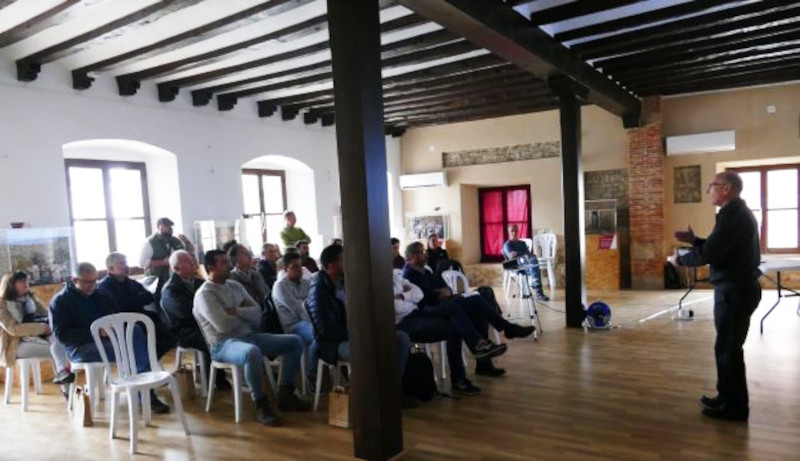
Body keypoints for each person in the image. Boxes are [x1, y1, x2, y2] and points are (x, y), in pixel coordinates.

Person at [668, 171, 761, 421]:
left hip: (736, 290)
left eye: (712, 185)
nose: (709, 189)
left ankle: (735, 408)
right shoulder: (734, 213)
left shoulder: (733, 216)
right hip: (736, 288)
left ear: (726, 189)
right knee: (725, 346)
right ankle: (726, 397)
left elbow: (711, 254)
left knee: (729, 348)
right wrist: (695, 240)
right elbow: (717, 247)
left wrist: (681, 259)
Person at [193, 250, 309, 426]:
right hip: (223, 344)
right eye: (223, 263)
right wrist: (244, 314)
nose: (229, 265)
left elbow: (257, 314)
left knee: (294, 341)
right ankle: (261, 404)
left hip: (248, 336)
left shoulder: (234, 286)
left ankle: (286, 393)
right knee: (252, 352)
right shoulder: (205, 294)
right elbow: (223, 325)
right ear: (211, 268)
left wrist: (236, 311)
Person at [307, 244, 417, 408]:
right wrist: (359, 333)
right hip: (333, 344)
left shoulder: (345, 282)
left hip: (353, 334)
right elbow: (326, 331)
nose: (348, 262)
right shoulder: (319, 292)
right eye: (343, 259)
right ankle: (372, 399)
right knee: (368, 347)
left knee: (400, 338)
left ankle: (391, 392)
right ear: (331, 266)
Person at [51, 263, 170, 413]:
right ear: (75, 280)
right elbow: (63, 335)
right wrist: (96, 333)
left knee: (136, 331)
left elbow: (116, 315)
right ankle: (145, 393)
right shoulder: (60, 302)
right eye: (88, 282)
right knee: (132, 349)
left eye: (95, 280)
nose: (93, 285)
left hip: (109, 339)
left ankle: (142, 388)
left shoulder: (101, 294)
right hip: (81, 347)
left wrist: (114, 328)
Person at [404, 242, 535, 376]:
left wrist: (443, 292)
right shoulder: (409, 275)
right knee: (460, 307)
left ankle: (502, 334)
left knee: (478, 300)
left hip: (441, 303)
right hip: (428, 310)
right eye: (421, 252)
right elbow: (424, 297)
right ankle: (494, 338)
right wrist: (440, 293)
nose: (425, 254)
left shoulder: (425, 271)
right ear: (411, 256)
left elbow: (445, 288)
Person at [392, 271, 481, 395]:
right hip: (404, 323)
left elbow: (419, 294)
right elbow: (397, 307)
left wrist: (401, 296)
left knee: (457, 318)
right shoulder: (382, 281)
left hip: (417, 314)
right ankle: (475, 352)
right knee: (454, 323)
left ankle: (461, 376)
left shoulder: (394, 275)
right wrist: (407, 294)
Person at [160, 250, 230, 390]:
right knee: (210, 338)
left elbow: (216, 300)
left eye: (191, 258)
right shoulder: (171, 289)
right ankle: (215, 378)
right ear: (176, 268)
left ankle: (226, 369)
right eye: (187, 261)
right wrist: (208, 313)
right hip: (184, 330)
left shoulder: (199, 282)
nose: (193, 262)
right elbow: (183, 313)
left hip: (204, 324)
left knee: (230, 329)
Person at [0, 271, 74, 388]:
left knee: (61, 340)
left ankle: (66, 385)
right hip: (15, 344)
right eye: (21, 281)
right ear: (10, 284)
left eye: (26, 280)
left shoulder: (29, 298)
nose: (26, 284)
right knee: (58, 350)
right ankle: (67, 387)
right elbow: (13, 329)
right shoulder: (2, 304)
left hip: (39, 335)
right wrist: (43, 328)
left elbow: (47, 314)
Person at [98, 252, 176, 360]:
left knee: (168, 332)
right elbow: (119, 306)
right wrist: (136, 299)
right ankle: (144, 364)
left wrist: (133, 300)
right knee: (154, 333)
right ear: (111, 268)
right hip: (124, 323)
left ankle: (150, 362)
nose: (127, 267)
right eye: (123, 264)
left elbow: (148, 296)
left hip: (140, 317)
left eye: (126, 263)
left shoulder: (129, 282)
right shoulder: (104, 287)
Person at [272, 252, 317, 382]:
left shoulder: (306, 283)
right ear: (285, 269)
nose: (299, 270)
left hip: (309, 322)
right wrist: (316, 321)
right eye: (294, 267)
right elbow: (299, 310)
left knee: (327, 333)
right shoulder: (280, 286)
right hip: (293, 325)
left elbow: (313, 305)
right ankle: (312, 374)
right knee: (319, 335)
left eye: (300, 266)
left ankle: (319, 372)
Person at [502, 224, 549, 301]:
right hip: (513, 265)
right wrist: (523, 254)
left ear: (518, 231)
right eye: (512, 231)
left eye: (515, 231)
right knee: (532, 263)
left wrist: (518, 253)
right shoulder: (507, 244)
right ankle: (538, 291)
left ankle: (537, 288)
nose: (514, 233)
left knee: (533, 261)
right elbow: (511, 256)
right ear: (509, 232)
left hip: (525, 264)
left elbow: (528, 255)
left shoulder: (522, 243)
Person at [139, 217, 184, 296]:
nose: (169, 229)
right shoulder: (149, 242)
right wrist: (162, 262)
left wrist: (186, 242)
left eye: (170, 227)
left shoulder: (175, 240)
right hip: (155, 282)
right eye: (165, 226)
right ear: (158, 227)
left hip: (174, 280)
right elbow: (141, 263)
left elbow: (186, 253)